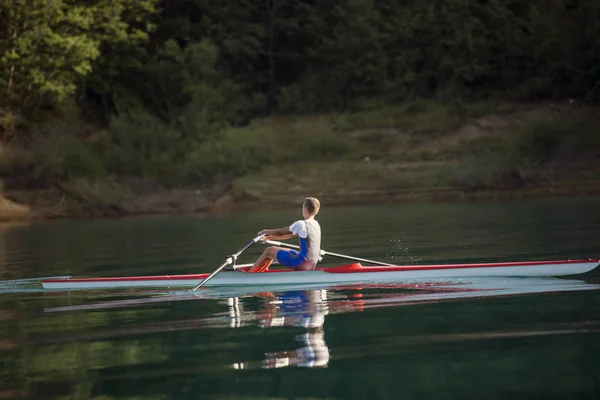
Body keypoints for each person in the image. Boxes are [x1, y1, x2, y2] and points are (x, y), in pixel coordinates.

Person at [249, 197, 321, 272]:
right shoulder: (316, 225)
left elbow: (280, 232)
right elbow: (292, 235)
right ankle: (262, 271)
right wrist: (269, 238)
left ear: (305, 210)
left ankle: (250, 275)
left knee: (269, 251)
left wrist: (264, 232)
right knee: (279, 249)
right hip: (311, 263)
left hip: (301, 262)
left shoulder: (301, 224)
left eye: (302, 207)